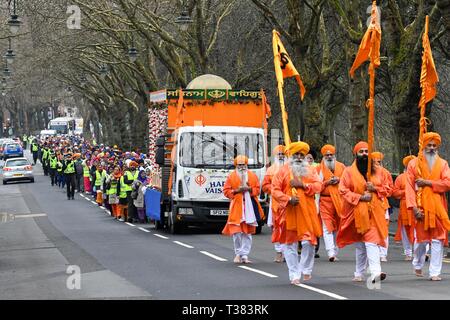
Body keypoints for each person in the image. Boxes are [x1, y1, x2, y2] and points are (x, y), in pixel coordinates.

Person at [337, 141, 389, 283]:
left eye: (367, 151)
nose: (365, 154)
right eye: (362, 152)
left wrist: (375, 189)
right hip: (357, 212)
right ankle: (359, 272)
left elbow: (388, 189)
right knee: (361, 245)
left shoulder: (379, 171)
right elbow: (343, 190)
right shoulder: (348, 171)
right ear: (356, 154)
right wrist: (360, 197)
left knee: (372, 242)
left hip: (375, 212)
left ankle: (376, 273)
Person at [272, 142, 323, 285]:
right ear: (291, 155)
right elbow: (274, 190)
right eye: (296, 155)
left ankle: (306, 269)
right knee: (290, 244)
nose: (299, 157)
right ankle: (294, 273)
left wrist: (303, 185)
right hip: (290, 212)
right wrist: (288, 199)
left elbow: (318, 186)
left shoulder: (310, 170)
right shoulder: (282, 171)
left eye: (302, 155)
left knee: (309, 243)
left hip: (308, 212)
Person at [405, 132, 450, 281]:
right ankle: (417, 263)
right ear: (423, 146)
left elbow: (447, 183)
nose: (431, 148)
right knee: (421, 240)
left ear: (437, 147)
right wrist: (414, 208)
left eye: (434, 146)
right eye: (428, 145)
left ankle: (434, 272)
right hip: (420, 205)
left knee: (438, 239)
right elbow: (409, 187)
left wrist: (429, 183)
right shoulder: (413, 164)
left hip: (438, 207)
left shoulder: (443, 164)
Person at [222, 155, 264, 264]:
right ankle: (238, 254)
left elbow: (257, 190)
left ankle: (245, 255)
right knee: (236, 232)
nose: (242, 167)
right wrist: (236, 191)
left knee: (247, 233)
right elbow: (226, 191)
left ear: (246, 165)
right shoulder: (231, 176)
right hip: (237, 207)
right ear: (236, 165)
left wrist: (249, 189)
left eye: (243, 165)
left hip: (249, 207)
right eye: (239, 165)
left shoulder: (252, 176)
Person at [317, 144, 346, 262]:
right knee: (327, 227)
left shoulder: (342, 167)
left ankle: (334, 250)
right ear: (323, 156)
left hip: (339, 201)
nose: (329, 157)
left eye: (331, 155)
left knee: (337, 227)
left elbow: (348, 182)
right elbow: (316, 186)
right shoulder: (318, 169)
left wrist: (339, 180)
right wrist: (327, 183)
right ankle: (331, 253)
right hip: (325, 201)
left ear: (334, 155)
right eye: (327, 155)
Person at [262, 145, 286, 263]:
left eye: (283, 154)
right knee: (276, 226)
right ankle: (278, 251)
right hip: (275, 202)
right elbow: (265, 186)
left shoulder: (291, 169)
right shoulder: (270, 170)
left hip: (288, 202)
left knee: (287, 226)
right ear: (275, 156)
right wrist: (274, 189)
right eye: (279, 154)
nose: (281, 156)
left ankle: (287, 252)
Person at [392, 155, 416, 261]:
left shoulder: (420, 176)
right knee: (405, 230)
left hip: (417, 206)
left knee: (418, 230)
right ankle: (408, 252)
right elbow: (395, 192)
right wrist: (406, 192)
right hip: (404, 207)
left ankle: (420, 252)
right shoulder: (400, 177)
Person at [371, 151, 394, 262]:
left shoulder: (385, 173)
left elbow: (390, 190)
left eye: (378, 162)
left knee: (383, 227)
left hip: (382, 204)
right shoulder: (367, 172)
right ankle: (373, 250)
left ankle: (383, 253)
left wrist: (377, 190)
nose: (377, 164)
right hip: (369, 204)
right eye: (374, 162)